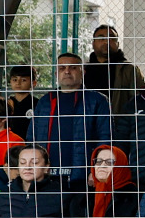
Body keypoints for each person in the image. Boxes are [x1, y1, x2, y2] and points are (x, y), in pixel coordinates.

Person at [29, 55, 112, 185]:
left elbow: (106, 137)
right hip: (46, 175)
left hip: (82, 175)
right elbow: (32, 137)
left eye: (73, 67)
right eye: (62, 68)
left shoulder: (96, 100)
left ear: (82, 72)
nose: (67, 71)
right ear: (56, 73)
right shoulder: (46, 101)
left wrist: (98, 168)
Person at [83, 26, 139, 116]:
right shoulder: (83, 69)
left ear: (118, 43)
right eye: (101, 38)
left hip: (118, 125)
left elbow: (138, 100)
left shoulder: (128, 69)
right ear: (93, 43)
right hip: (87, 123)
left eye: (112, 38)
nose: (106, 41)